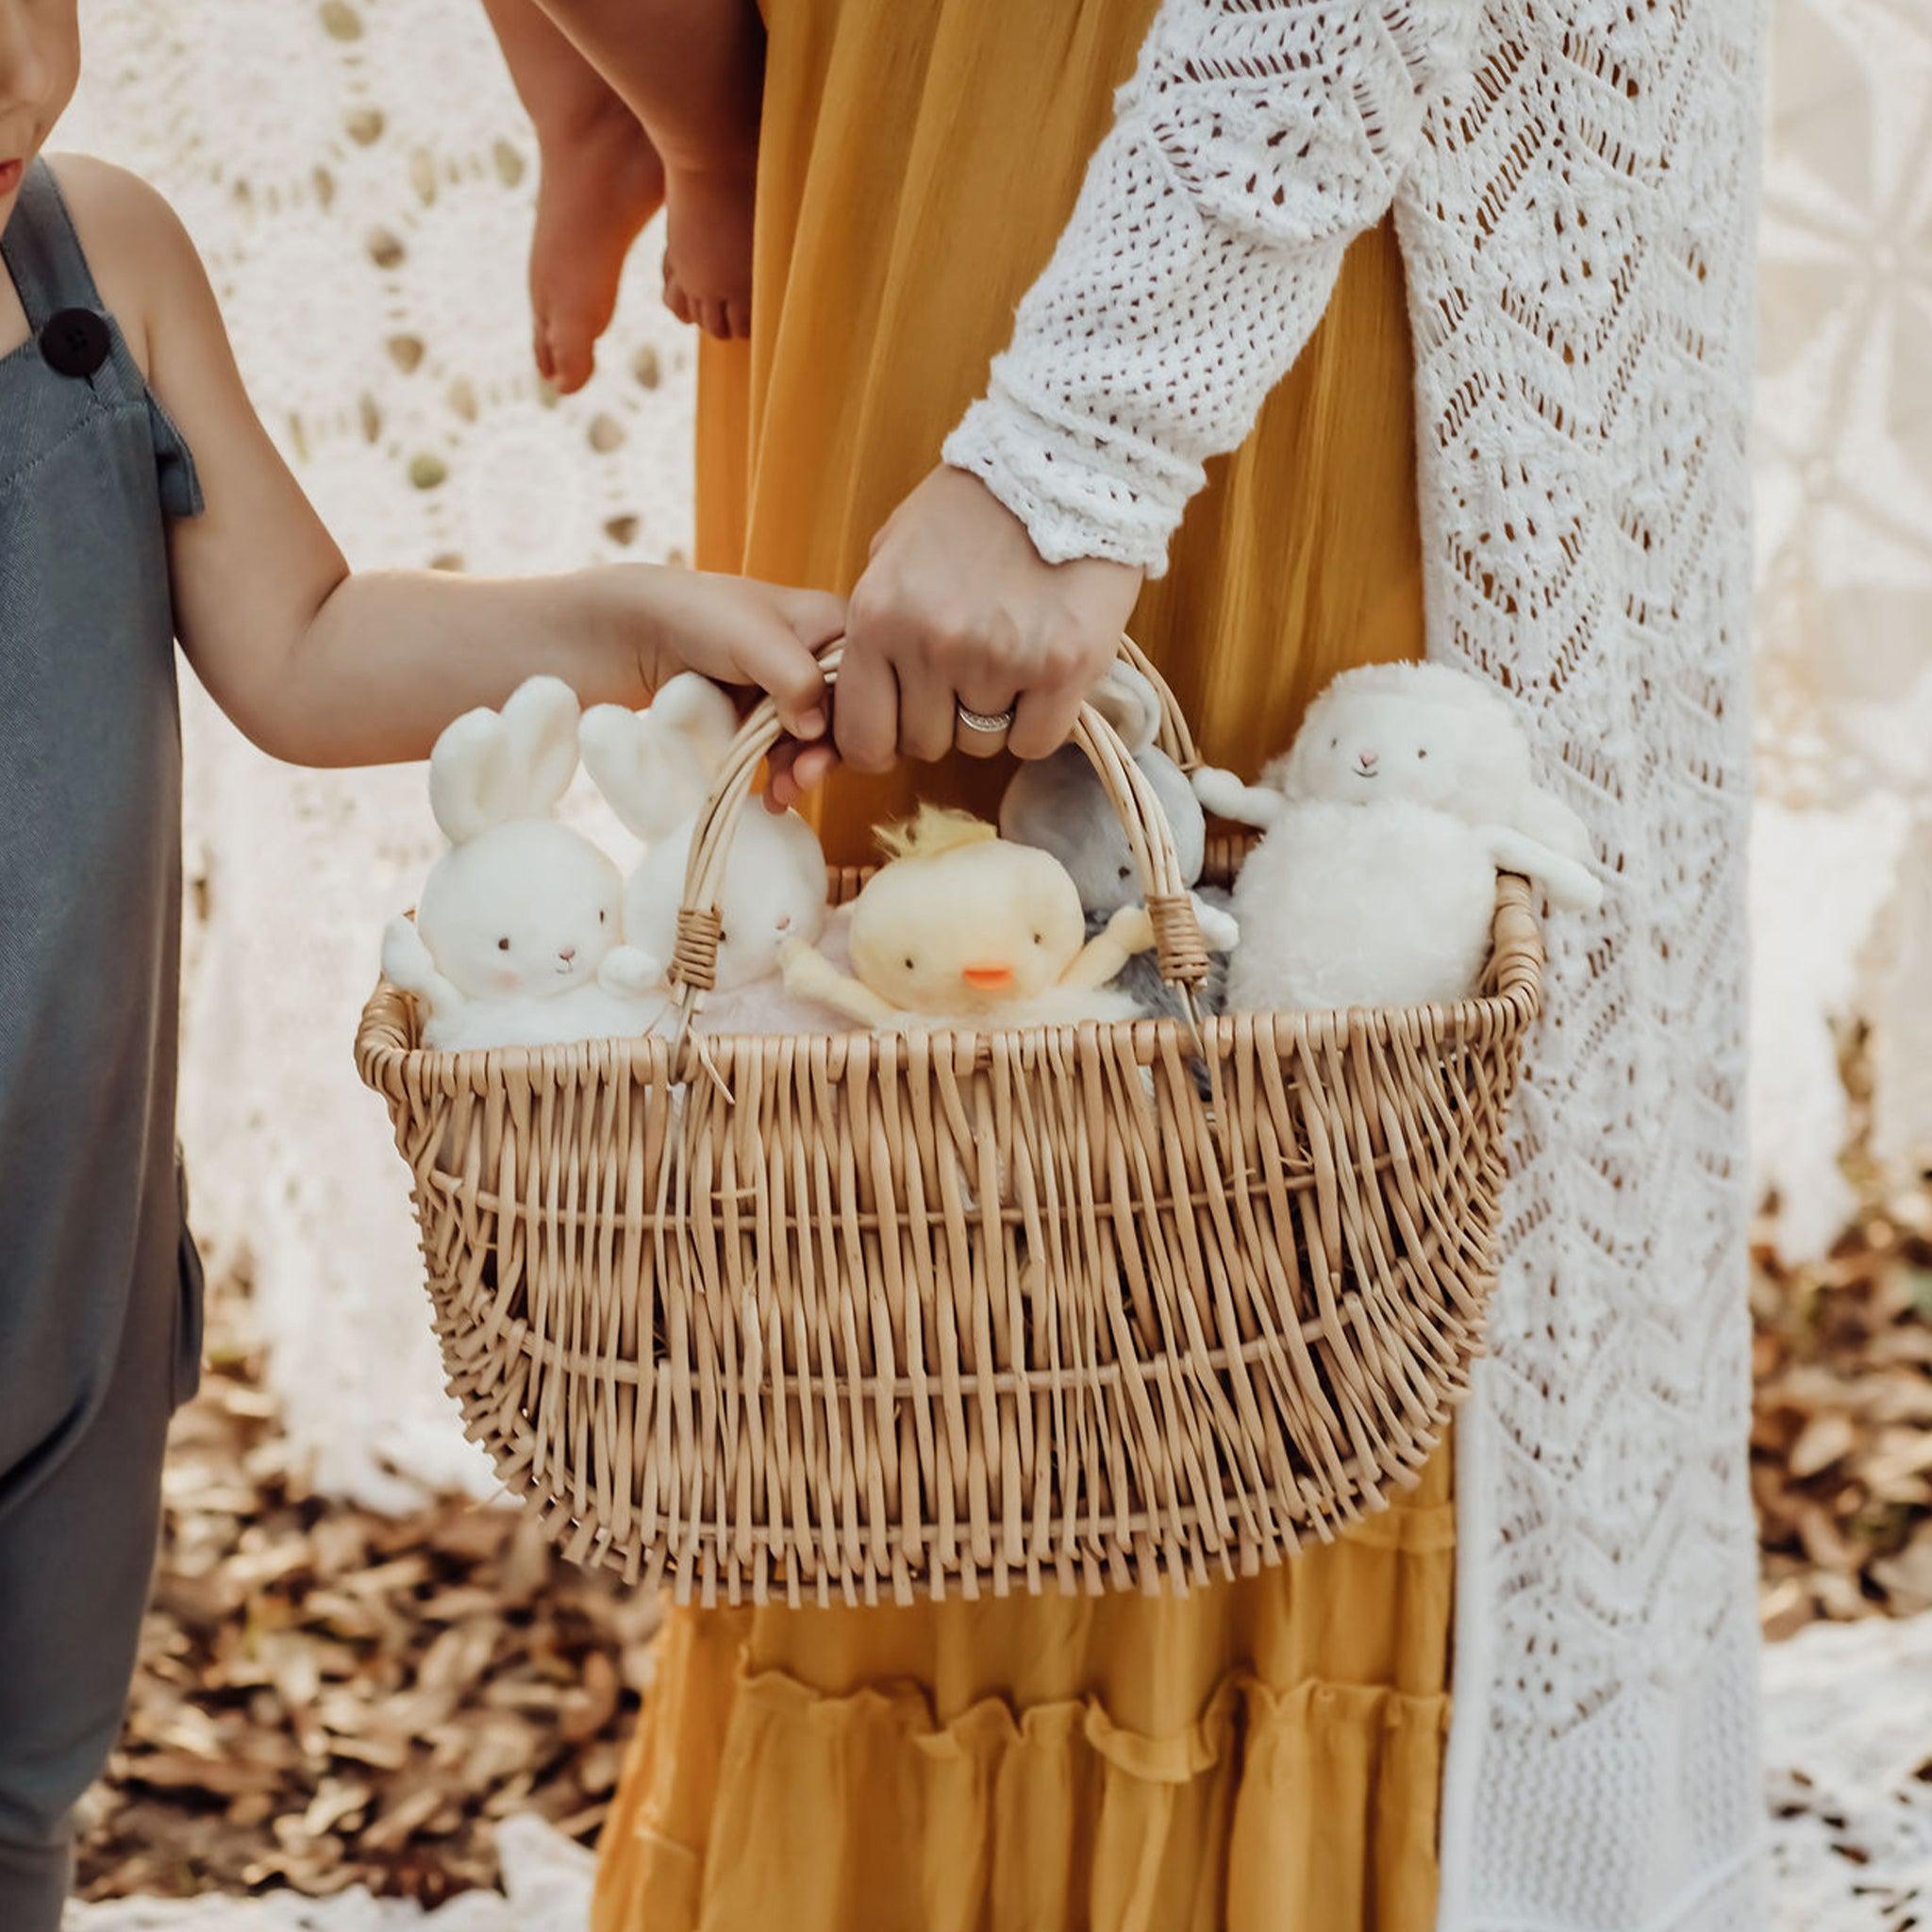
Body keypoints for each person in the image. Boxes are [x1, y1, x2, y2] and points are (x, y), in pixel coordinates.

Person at [489, 0, 1768, 1926]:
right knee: (1060, 1234)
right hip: (1142, 183)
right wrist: (1061, 441)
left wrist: (666, 108)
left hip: (1117, 171)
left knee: (1127, 1195)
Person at [0, 5, 843, 1922]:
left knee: (22, 1789)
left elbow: (296, 641)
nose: (4, 74)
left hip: (62, 1281)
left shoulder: (88, 260)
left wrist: (631, 621)